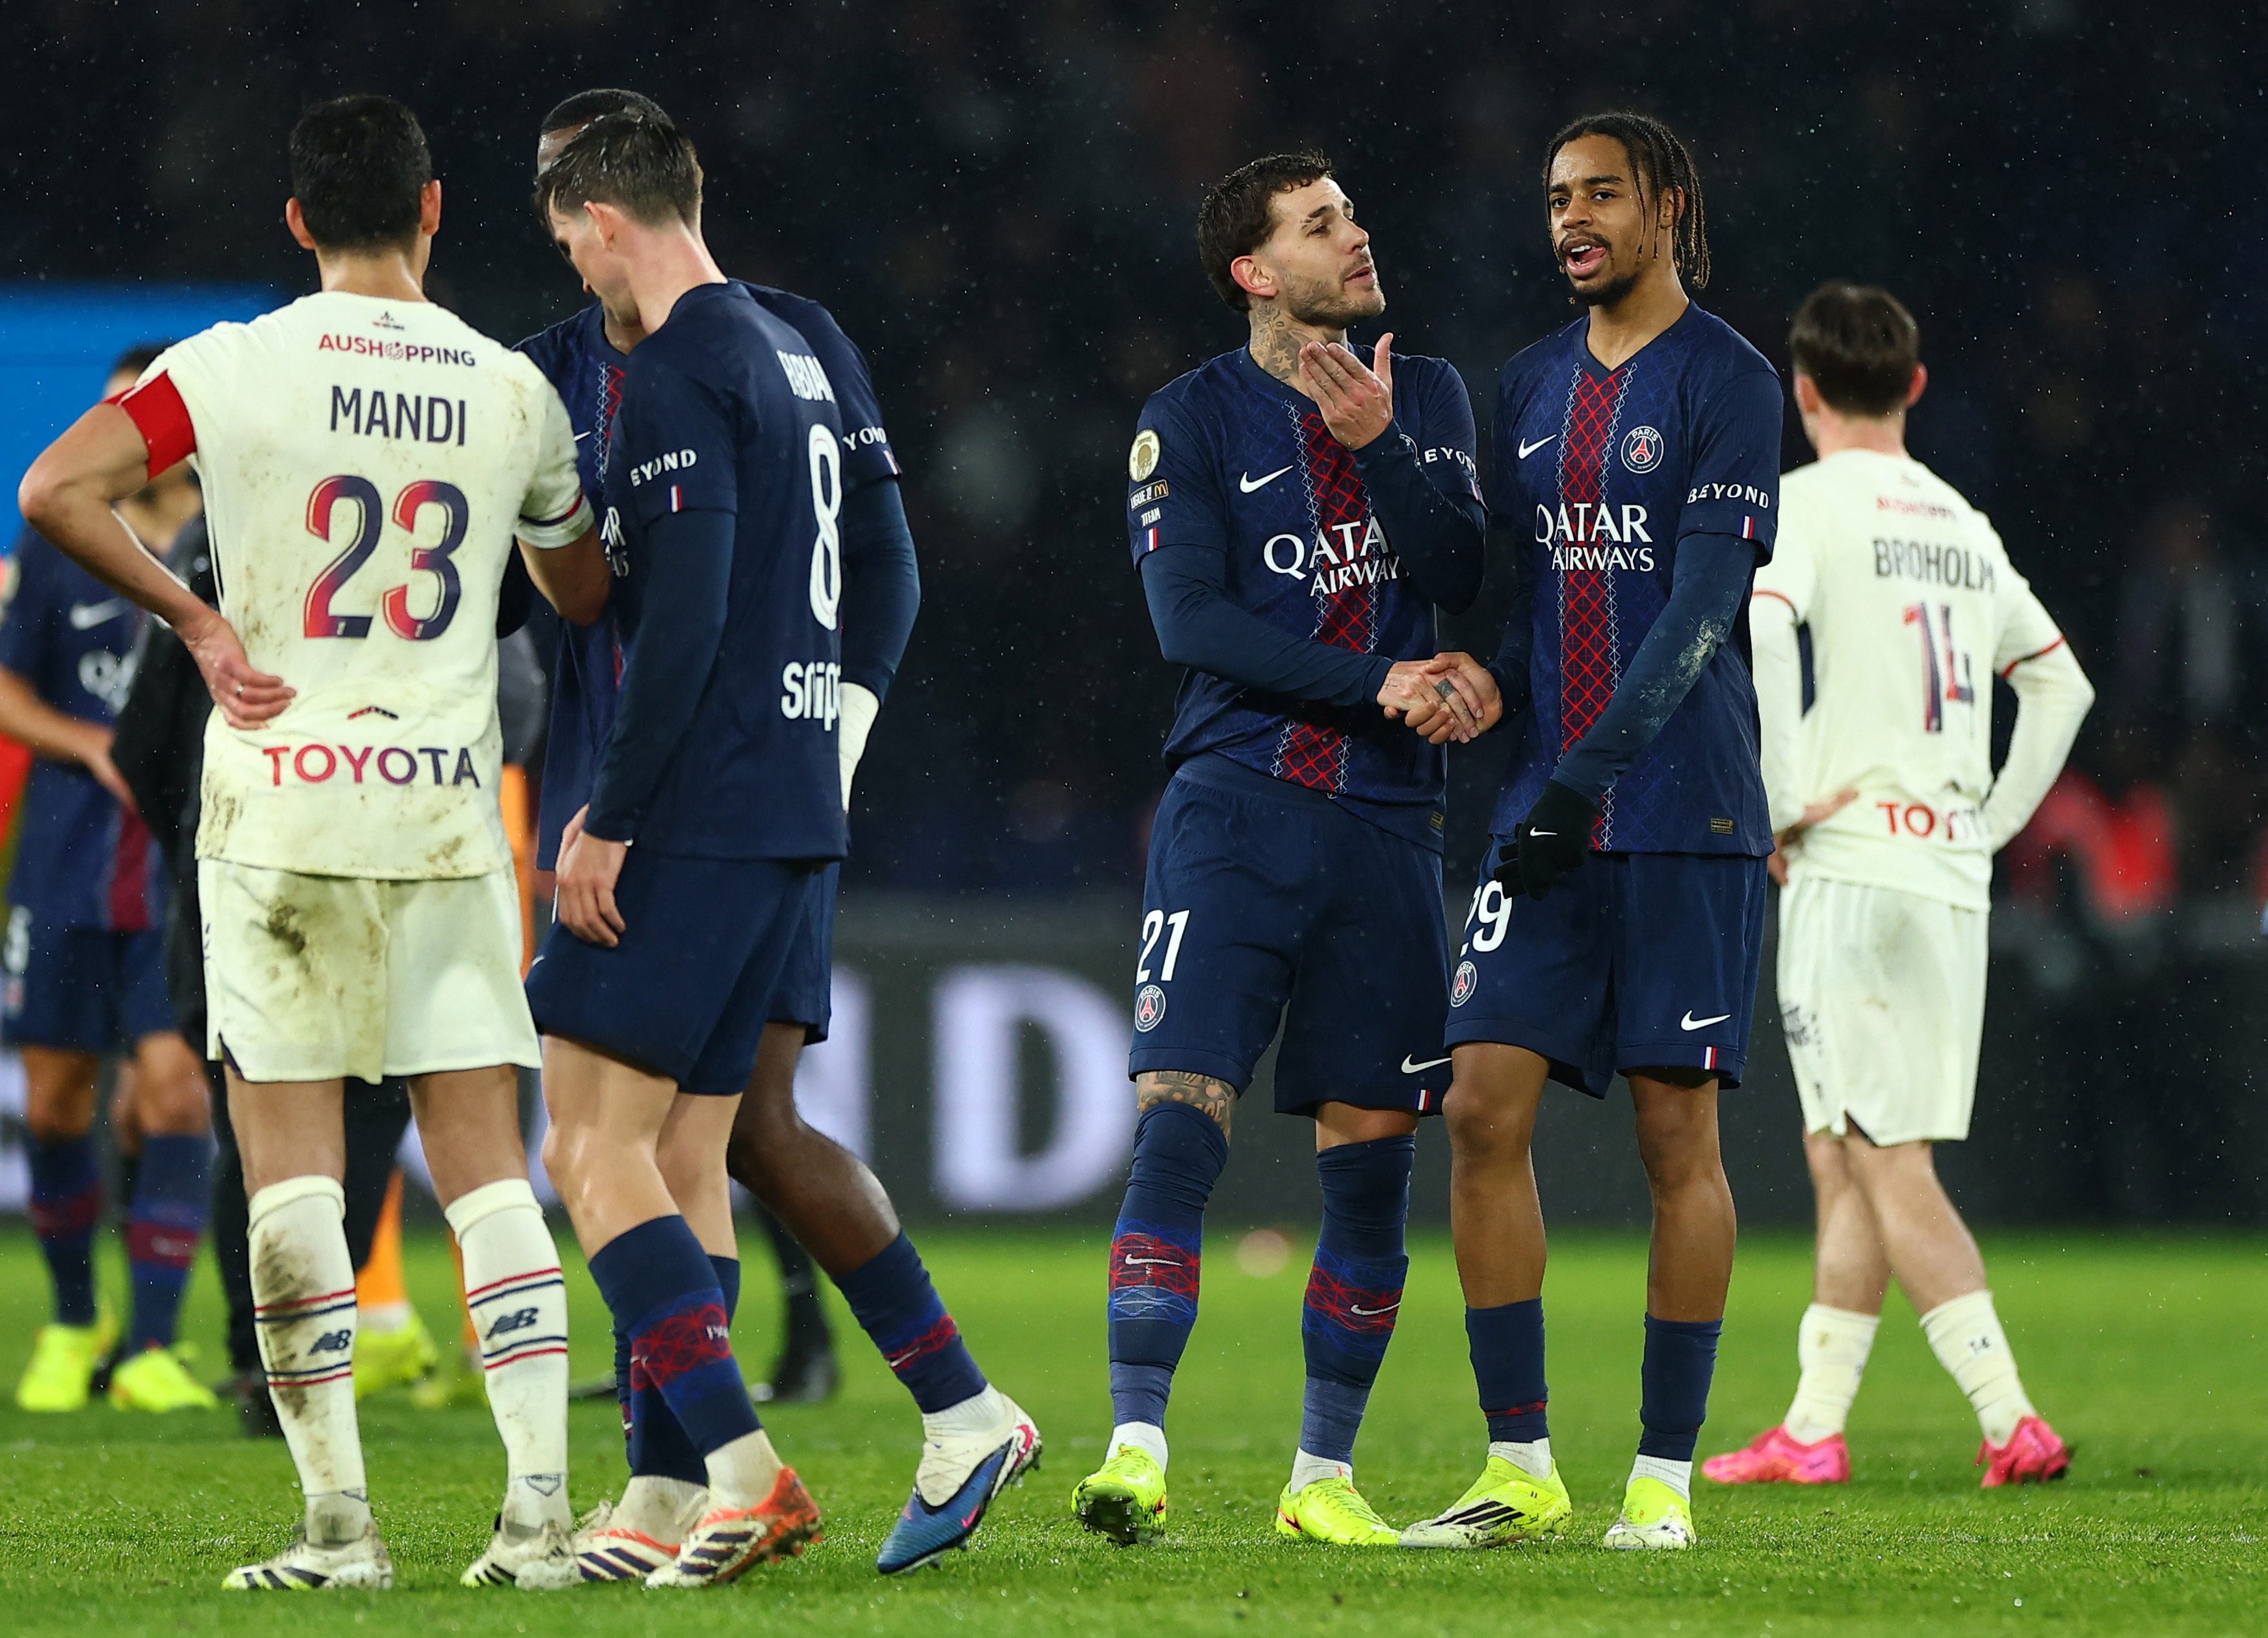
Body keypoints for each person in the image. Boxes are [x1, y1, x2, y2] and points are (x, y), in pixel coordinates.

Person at [18, 93, 610, 1591]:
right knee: (485, 1174)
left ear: (294, 222)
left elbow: (55, 492)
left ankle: (339, 1532)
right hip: (441, 809)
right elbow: (583, 583)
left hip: (277, 810)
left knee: (290, 1178)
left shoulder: (227, 368)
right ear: (431, 211)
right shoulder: (507, 387)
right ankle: (539, 1522)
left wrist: (202, 620)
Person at [519, 90, 1034, 1581]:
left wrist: (615, 811)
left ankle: (743, 1466)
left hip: (684, 789)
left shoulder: (683, 362)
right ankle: (677, 1489)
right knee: (702, 1136)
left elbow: (682, 607)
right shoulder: (775, 344)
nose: (564, 258)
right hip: (764, 790)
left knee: (599, 1139)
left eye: (564, 225)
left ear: (597, 210)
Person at [1072, 150, 1486, 1549]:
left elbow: (1467, 578)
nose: (1357, 235)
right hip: (1237, 808)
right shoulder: (1183, 421)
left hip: (1388, 829)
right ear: (1254, 272)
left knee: (1371, 1155)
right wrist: (1371, 682)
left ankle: (1323, 1480)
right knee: (1179, 1109)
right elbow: (1189, 625)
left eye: (1355, 213)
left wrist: (1378, 444)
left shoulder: (1424, 396)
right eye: (1321, 225)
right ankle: (1134, 1445)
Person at [1398, 111, 1781, 1552]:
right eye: (1556, 196)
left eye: (1600, 195)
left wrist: (1581, 777)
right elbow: (1523, 604)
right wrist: (1487, 681)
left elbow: (1694, 619)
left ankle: (1663, 1479)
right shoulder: (1526, 385)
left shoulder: (1728, 383)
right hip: (1543, 812)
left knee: (1672, 1134)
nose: (1571, 219)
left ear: (1667, 205)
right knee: (1480, 1108)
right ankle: (1518, 1465)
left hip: (1682, 810)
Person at [1702, 282, 2091, 1490]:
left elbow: (1765, 630)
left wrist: (1774, 795)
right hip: (1942, 876)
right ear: (1914, 387)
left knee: (1882, 1156)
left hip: (1850, 863)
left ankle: (2007, 1415)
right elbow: (2060, 685)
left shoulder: (1805, 504)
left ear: (1804, 393)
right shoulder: (1961, 521)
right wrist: (1986, 826)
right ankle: (1813, 1430)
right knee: (1847, 1147)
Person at [1, 345, 218, 1417]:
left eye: (125, 419)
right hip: (68, 859)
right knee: (56, 1097)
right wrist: (84, 747)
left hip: (183, 865)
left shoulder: (233, 543)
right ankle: (72, 1319)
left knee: (177, 1090)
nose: (105, 440)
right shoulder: (55, 549)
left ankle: (150, 1345)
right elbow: (4, 685)